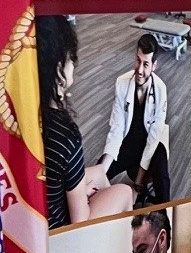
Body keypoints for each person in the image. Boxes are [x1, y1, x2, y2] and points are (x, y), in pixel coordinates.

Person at [35, 14, 133, 229]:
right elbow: (79, 220)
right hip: (54, 229)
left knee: (98, 172)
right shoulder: (64, 133)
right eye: (71, 59)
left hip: (38, 199)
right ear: (59, 68)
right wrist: (81, 196)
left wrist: (80, 190)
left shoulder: (24, 111)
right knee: (125, 192)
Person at [101, 32, 171, 205]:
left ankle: (164, 214)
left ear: (154, 66)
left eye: (146, 64)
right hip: (128, 143)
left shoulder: (161, 89)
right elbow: (116, 130)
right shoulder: (122, 83)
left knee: (163, 177)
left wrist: (139, 178)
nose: (139, 70)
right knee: (99, 177)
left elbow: (154, 134)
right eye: (138, 60)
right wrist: (102, 169)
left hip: (151, 144)